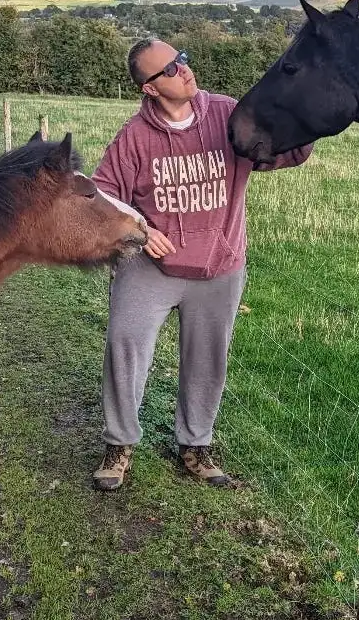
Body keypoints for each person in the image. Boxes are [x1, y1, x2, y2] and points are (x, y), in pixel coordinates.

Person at [89, 37, 313, 491]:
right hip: (149, 269)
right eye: (169, 69)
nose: (184, 69)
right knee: (124, 347)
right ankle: (119, 446)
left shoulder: (225, 114)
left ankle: (195, 447)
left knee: (208, 360)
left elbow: (279, 150)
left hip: (220, 265)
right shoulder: (134, 138)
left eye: (182, 58)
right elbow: (101, 195)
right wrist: (139, 229)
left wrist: (311, 119)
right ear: (149, 88)